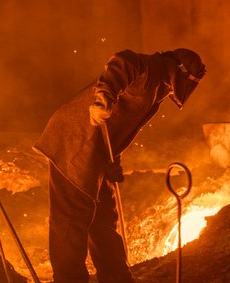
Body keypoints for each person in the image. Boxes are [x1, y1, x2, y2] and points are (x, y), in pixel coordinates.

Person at [33, 48, 206, 283]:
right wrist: (104, 95)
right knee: (71, 221)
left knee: (104, 220)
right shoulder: (147, 69)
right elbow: (122, 61)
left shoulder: (157, 90)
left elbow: (118, 129)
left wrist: (113, 161)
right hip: (74, 144)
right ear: (178, 72)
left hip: (98, 153)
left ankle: (117, 278)